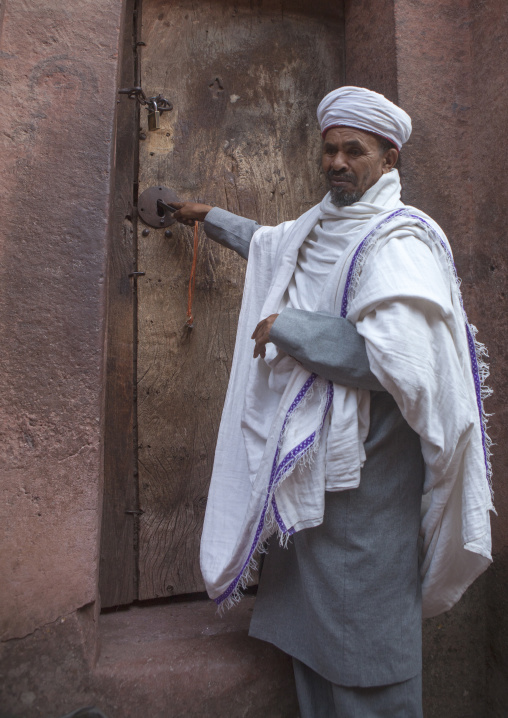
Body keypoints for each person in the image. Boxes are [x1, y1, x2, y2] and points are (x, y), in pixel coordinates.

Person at [172, 87, 493, 718]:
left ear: (388, 157)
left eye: (355, 150)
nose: (338, 162)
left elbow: (395, 363)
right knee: (317, 653)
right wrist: (205, 215)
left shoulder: (398, 242)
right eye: (329, 151)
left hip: (370, 481)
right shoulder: (326, 224)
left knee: (368, 647)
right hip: (321, 472)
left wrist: (289, 327)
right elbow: (272, 244)